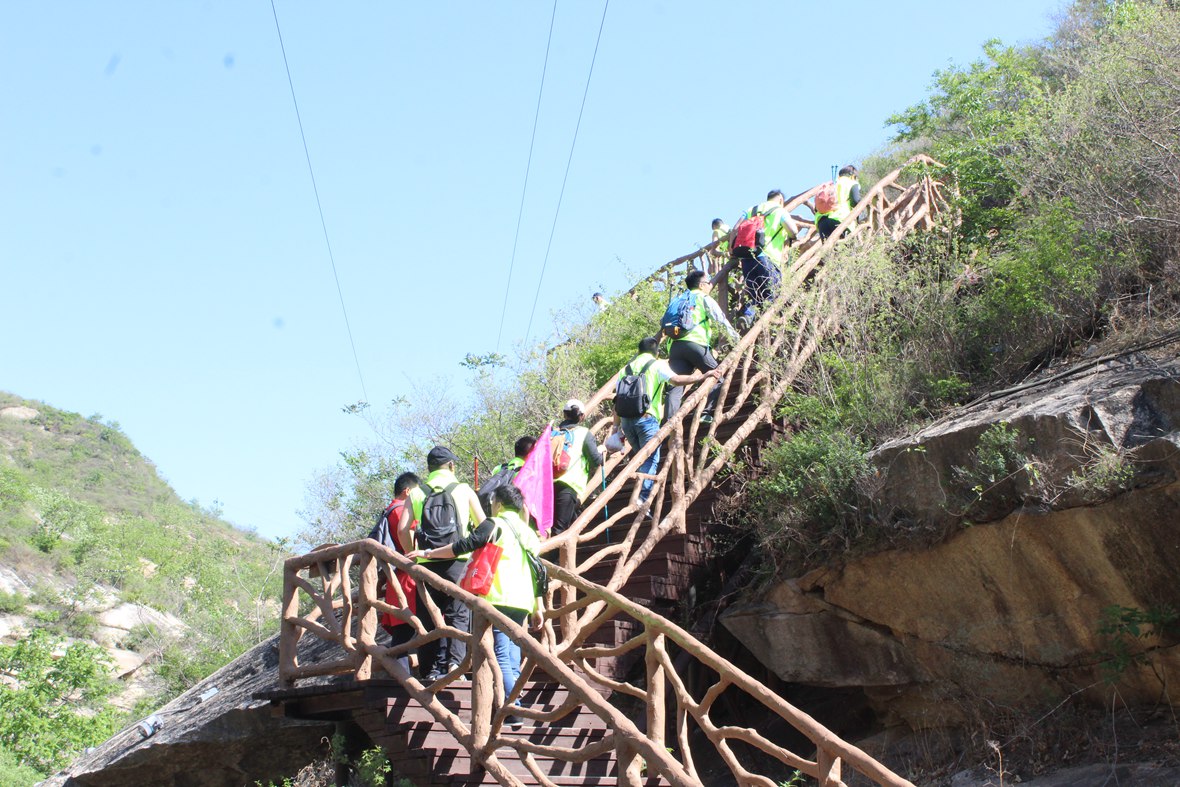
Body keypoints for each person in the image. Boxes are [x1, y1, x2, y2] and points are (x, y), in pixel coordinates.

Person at [407, 484, 543, 728]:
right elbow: (539, 572)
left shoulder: (495, 524)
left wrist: (427, 552)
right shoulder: (528, 531)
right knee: (511, 655)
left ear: (498, 503)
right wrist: (538, 606)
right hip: (523, 599)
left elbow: (461, 547)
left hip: (499, 597)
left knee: (500, 653)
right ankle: (511, 703)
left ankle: (514, 711)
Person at [396, 445, 485, 683]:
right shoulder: (463, 489)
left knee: (428, 617)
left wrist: (411, 553)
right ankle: (455, 665)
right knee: (458, 614)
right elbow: (484, 525)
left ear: (429, 468)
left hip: (425, 562)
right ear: (452, 466)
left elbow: (402, 529)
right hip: (458, 561)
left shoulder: (416, 493)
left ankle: (429, 670)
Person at [612, 337, 719, 503]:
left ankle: (640, 496)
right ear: (656, 352)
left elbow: (617, 401)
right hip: (647, 419)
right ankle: (642, 499)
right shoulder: (657, 365)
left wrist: (615, 428)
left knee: (641, 457)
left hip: (627, 422)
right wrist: (702, 377)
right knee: (650, 458)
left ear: (638, 351)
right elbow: (676, 380)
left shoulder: (624, 370)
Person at [367, 471, 423, 675]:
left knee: (404, 632)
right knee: (407, 632)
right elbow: (407, 535)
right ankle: (405, 680)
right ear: (408, 491)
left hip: (397, 581)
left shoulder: (388, 510)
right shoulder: (401, 510)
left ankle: (403, 678)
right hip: (407, 578)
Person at [664, 269, 738, 424]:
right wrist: (735, 339)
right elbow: (720, 319)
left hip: (675, 347)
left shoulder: (677, 299)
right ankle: (706, 412)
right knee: (718, 377)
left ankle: (669, 422)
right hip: (695, 344)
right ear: (702, 285)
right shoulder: (702, 297)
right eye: (708, 282)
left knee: (676, 385)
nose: (710, 285)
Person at [732, 190, 800, 328]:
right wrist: (792, 237)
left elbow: (735, 228)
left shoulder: (752, 209)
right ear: (781, 199)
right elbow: (793, 230)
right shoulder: (780, 211)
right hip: (768, 259)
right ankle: (764, 326)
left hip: (747, 258)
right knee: (772, 293)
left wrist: (731, 250)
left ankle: (748, 315)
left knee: (755, 294)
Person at [551, 399, 603, 537]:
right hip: (569, 484)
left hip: (548, 484)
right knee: (560, 530)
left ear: (564, 414)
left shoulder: (552, 433)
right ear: (582, 416)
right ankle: (555, 559)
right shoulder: (584, 432)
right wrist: (603, 452)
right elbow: (596, 460)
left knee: (554, 526)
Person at [815, 165, 862, 240]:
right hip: (841, 221)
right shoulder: (852, 183)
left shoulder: (831, 185)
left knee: (829, 250)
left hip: (822, 222)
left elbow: (816, 208)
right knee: (848, 249)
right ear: (853, 176)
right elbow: (855, 201)